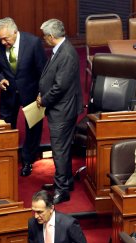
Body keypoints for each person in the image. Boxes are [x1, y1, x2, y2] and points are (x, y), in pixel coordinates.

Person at [0, 17, 47, 177]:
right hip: (8, 93)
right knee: (6, 126)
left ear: (15, 32)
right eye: (0, 39)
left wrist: (42, 93)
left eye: (5, 39)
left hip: (32, 93)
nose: (2, 43)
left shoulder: (33, 43)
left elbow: (43, 71)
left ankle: (28, 160)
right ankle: (7, 158)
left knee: (33, 128)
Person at [37, 19, 83, 205]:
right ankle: (66, 181)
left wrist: (44, 99)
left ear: (51, 36)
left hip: (62, 110)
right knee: (62, 148)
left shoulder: (66, 54)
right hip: (61, 108)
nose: (44, 39)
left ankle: (62, 189)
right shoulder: (62, 50)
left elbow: (59, 87)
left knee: (59, 150)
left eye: (45, 36)